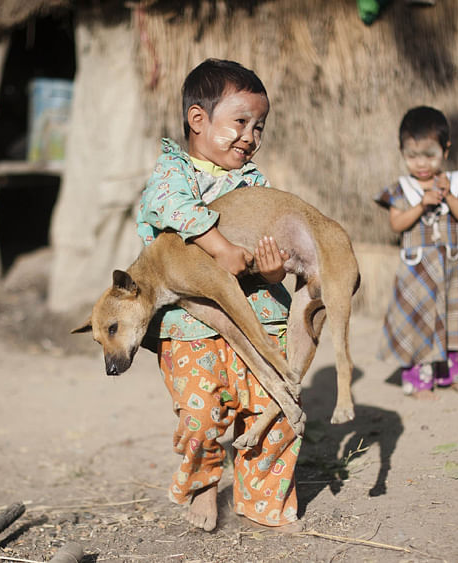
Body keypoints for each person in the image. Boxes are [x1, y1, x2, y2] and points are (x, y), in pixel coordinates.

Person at [136, 58, 302, 531]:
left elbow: (274, 239)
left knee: (274, 410)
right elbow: (173, 207)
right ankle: (204, 484)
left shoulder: (256, 184)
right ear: (198, 120)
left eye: (259, 127)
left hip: (258, 321)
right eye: (241, 122)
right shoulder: (172, 173)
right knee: (201, 417)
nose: (250, 136)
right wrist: (221, 246)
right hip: (193, 327)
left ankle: (262, 498)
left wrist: (273, 271)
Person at [374, 106, 458, 400]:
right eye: (412, 155)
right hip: (416, 272)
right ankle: (420, 381)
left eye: (429, 154)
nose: (421, 163)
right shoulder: (401, 189)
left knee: (456, 319)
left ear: (446, 150)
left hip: (453, 269)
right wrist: (422, 205)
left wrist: (447, 195)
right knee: (419, 322)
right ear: (402, 151)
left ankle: (456, 373)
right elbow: (397, 223)